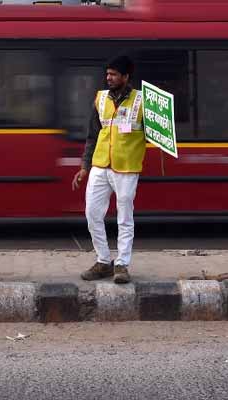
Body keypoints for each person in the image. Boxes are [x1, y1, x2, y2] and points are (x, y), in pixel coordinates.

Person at [72, 56, 145, 284]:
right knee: (92, 213)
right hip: (100, 165)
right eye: (107, 74)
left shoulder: (142, 101)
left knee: (125, 217)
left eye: (114, 74)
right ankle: (103, 261)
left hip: (126, 167)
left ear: (125, 77)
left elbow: (159, 133)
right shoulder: (100, 99)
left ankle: (122, 264)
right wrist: (84, 167)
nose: (109, 78)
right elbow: (92, 135)